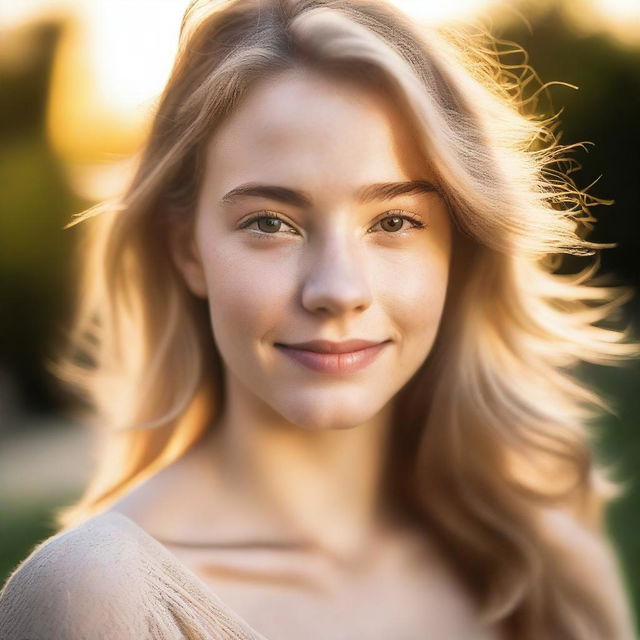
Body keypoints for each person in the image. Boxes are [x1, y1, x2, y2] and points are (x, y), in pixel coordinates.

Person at [0, 0, 637, 638]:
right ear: (187, 249)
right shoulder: (94, 596)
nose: (337, 290)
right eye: (270, 223)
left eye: (394, 222)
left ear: (458, 247)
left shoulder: (545, 556)